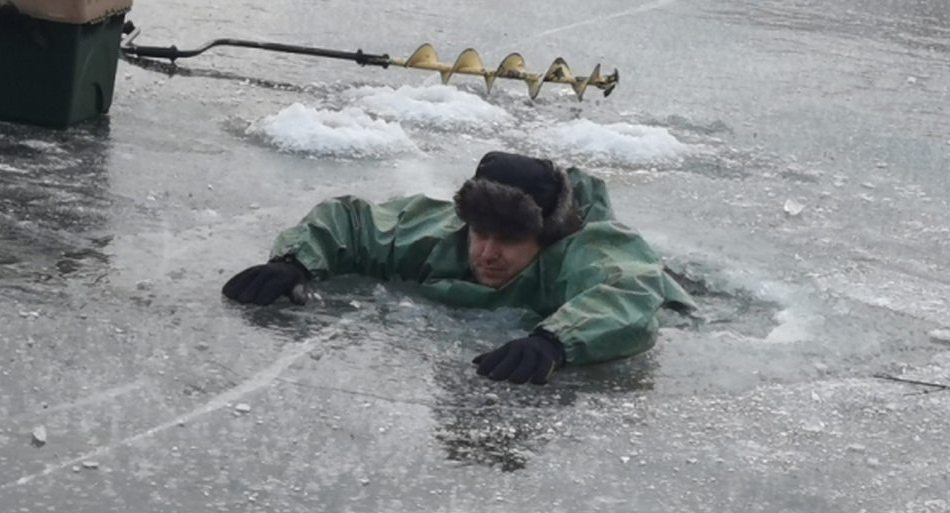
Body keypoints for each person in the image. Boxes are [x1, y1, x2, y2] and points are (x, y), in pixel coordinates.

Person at [222, 151, 695, 385]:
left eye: (509, 240)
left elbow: (630, 293)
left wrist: (555, 341)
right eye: (479, 233)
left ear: (545, 238)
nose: (488, 253)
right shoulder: (442, 232)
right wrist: (295, 263)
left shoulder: (588, 251)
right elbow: (354, 222)